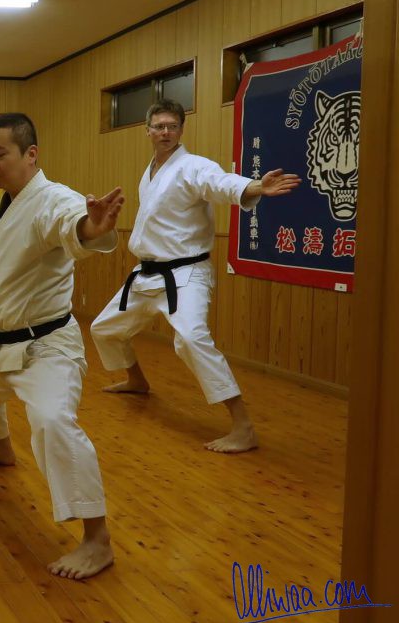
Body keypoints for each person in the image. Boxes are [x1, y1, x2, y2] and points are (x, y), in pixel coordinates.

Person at [0, 112, 124, 580]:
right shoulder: (11, 201)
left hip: (47, 347)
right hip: (4, 342)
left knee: (53, 421)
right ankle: (0, 447)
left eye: (1, 154)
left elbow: (71, 223)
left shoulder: (51, 199)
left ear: (31, 154)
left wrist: (90, 228)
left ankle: (97, 539)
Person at [90, 99, 301, 454]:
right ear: (148, 131)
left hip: (186, 273)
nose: (166, 132)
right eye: (159, 126)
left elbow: (218, 183)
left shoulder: (193, 166)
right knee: (103, 328)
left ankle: (243, 426)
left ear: (181, 130)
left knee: (189, 339)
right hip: (148, 273)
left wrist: (254, 187)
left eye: (172, 126)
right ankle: (136, 380)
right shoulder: (153, 169)